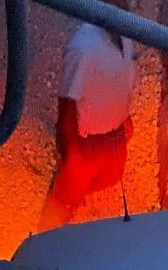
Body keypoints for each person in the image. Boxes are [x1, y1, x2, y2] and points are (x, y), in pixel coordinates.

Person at [38, 3, 135, 231]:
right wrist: (73, 151)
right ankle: (44, 244)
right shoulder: (83, 48)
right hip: (87, 143)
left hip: (114, 137)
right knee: (61, 205)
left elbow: (123, 79)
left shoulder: (126, 38)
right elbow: (68, 103)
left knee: (108, 178)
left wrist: (124, 119)